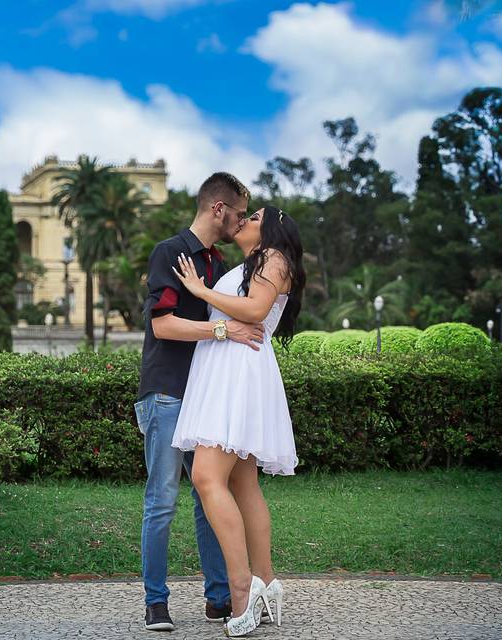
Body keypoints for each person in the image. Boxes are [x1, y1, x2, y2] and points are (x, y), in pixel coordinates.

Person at [135, 172, 265, 632]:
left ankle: (218, 598)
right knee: (163, 499)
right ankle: (155, 602)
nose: (242, 221)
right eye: (240, 212)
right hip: (167, 391)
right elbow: (163, 326)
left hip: (206, 397)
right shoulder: (171, 253)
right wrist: (224, 329)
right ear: (217, 209)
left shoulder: (217, 264)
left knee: (211, 496)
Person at [170, 205, 306, 637]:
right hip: (230, 369)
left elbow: (254, 309)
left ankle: (242, 588)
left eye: (254, 216)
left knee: (207, 478)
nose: (244, 221)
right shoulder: (253, 261)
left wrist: (200, 289)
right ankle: (266, 581)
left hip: (238, 373)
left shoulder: (273, 257)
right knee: (243, 484)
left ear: (270, 229)